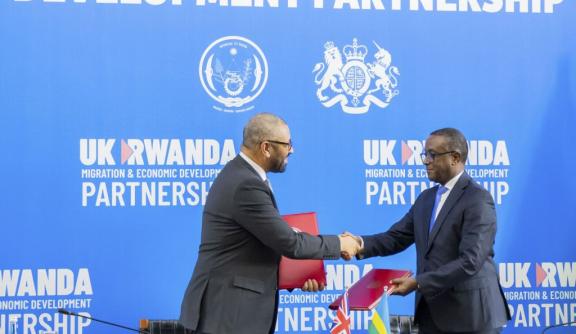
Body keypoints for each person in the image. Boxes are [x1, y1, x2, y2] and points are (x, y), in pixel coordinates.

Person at [179, 113, 360, 334]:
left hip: (230, 314)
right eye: (287, 144)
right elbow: (289, 242)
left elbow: (260, 244)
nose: (291, 150)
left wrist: (299, 276)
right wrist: (340, 244)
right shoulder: (246, 184)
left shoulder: (242, 175)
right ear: (266, 147)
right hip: (226, 317)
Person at [346, 128, 510, 334]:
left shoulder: (477, 199)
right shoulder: (426, 198)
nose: (425, 161)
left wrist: (418, 282)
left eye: (432, 154)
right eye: (425, 154)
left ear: (455, 158)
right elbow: (396, 238)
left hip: (471, 317)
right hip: (432, 315)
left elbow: (471, 260)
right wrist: (358, 244)